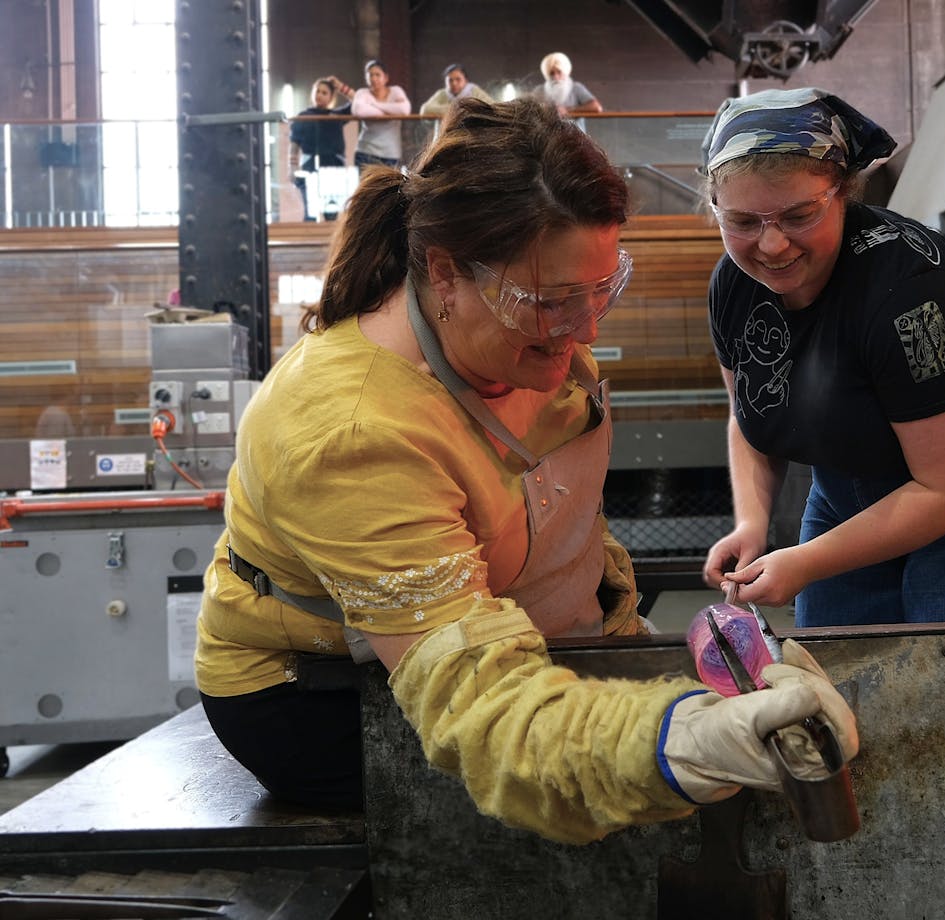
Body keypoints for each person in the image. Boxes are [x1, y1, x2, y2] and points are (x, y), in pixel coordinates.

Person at [193, 97, 858, 845]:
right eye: (549, 301)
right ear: (445, 273)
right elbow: (478, 707)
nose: (585, 331)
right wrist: (673, 739)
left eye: (600, 290)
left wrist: (641, 654)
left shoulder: (535, 343)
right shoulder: (352, 434)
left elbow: (562, 521)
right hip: (324, 696)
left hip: (529, 641)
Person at [699, 87, 945, 919]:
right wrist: (754, 524)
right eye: (742, 221)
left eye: (797, 215)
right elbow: (751, 414)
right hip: (855, 479)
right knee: (842, 727)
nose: (769, 245)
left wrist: (800, 562)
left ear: (845, 191)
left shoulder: (910, 289)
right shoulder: (732, 285)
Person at [288, 77, 351, 220]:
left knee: (331, 213)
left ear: (331, 97)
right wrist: (292, 167)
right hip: (310, 166)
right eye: (317, 91)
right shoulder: (303, 117)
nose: (320, 95)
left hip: (334, 167)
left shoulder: (336, 115)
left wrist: (340, 86)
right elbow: (294, 144)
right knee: (310, 212)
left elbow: (358, 102)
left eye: (324, 92)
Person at [348, 58, 411, 170]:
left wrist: (374, 104)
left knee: (390, 187)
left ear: (385, 77)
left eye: (377, 74)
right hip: (365, 151)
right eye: (370, 75)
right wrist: (391, 111)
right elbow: (358, 111)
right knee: (366, 187)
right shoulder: (362, 93)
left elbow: (404, 110)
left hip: (391, 152)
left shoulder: (396, 91)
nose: (373, 78)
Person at [535, 51, 602, 116]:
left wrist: (567, 110)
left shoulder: (576, 88)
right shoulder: (539, 90)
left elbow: (596, 107)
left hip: (573, 127)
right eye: (552, 73)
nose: (555, 77)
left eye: (559, 72)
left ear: (566, 72)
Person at [419, 63, 494, 117]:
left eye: (458, 79)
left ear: (466, 80)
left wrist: (446, 111)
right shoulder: (442, 94)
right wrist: (461, 108)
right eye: (450, 80)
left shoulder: (474, 91)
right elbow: (425, 109)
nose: (454, 83)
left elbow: (492, 107)